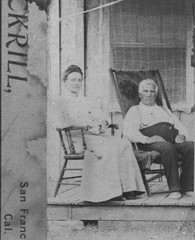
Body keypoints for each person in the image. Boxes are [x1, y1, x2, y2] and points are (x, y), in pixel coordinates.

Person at [55, 65, 146, 203]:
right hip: (78, 139)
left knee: (123, 143)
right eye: (73, 80)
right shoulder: (61, 101)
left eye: (79, 80)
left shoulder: (85, 101)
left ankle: (128, 188)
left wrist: (102, 124)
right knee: (109, 147)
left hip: (94, 135)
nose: (77, 83)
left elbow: (104, 117)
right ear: (65, 81)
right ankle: (111, 193)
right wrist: (89, 128)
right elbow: (63, 123)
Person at [123, 78, 194, 199]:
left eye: (152, 91)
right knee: (168, 147)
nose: (149, 94)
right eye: (145, 91)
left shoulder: (163, 109)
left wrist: (182, 135)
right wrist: (147, 139)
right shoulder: (135, 110)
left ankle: (187, 186)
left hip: (171, 140)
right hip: (149, 142)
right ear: (140, 94)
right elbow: (129, 131)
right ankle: (174, 188)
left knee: (191, 146)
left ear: (156, 94)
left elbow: (180, 126)